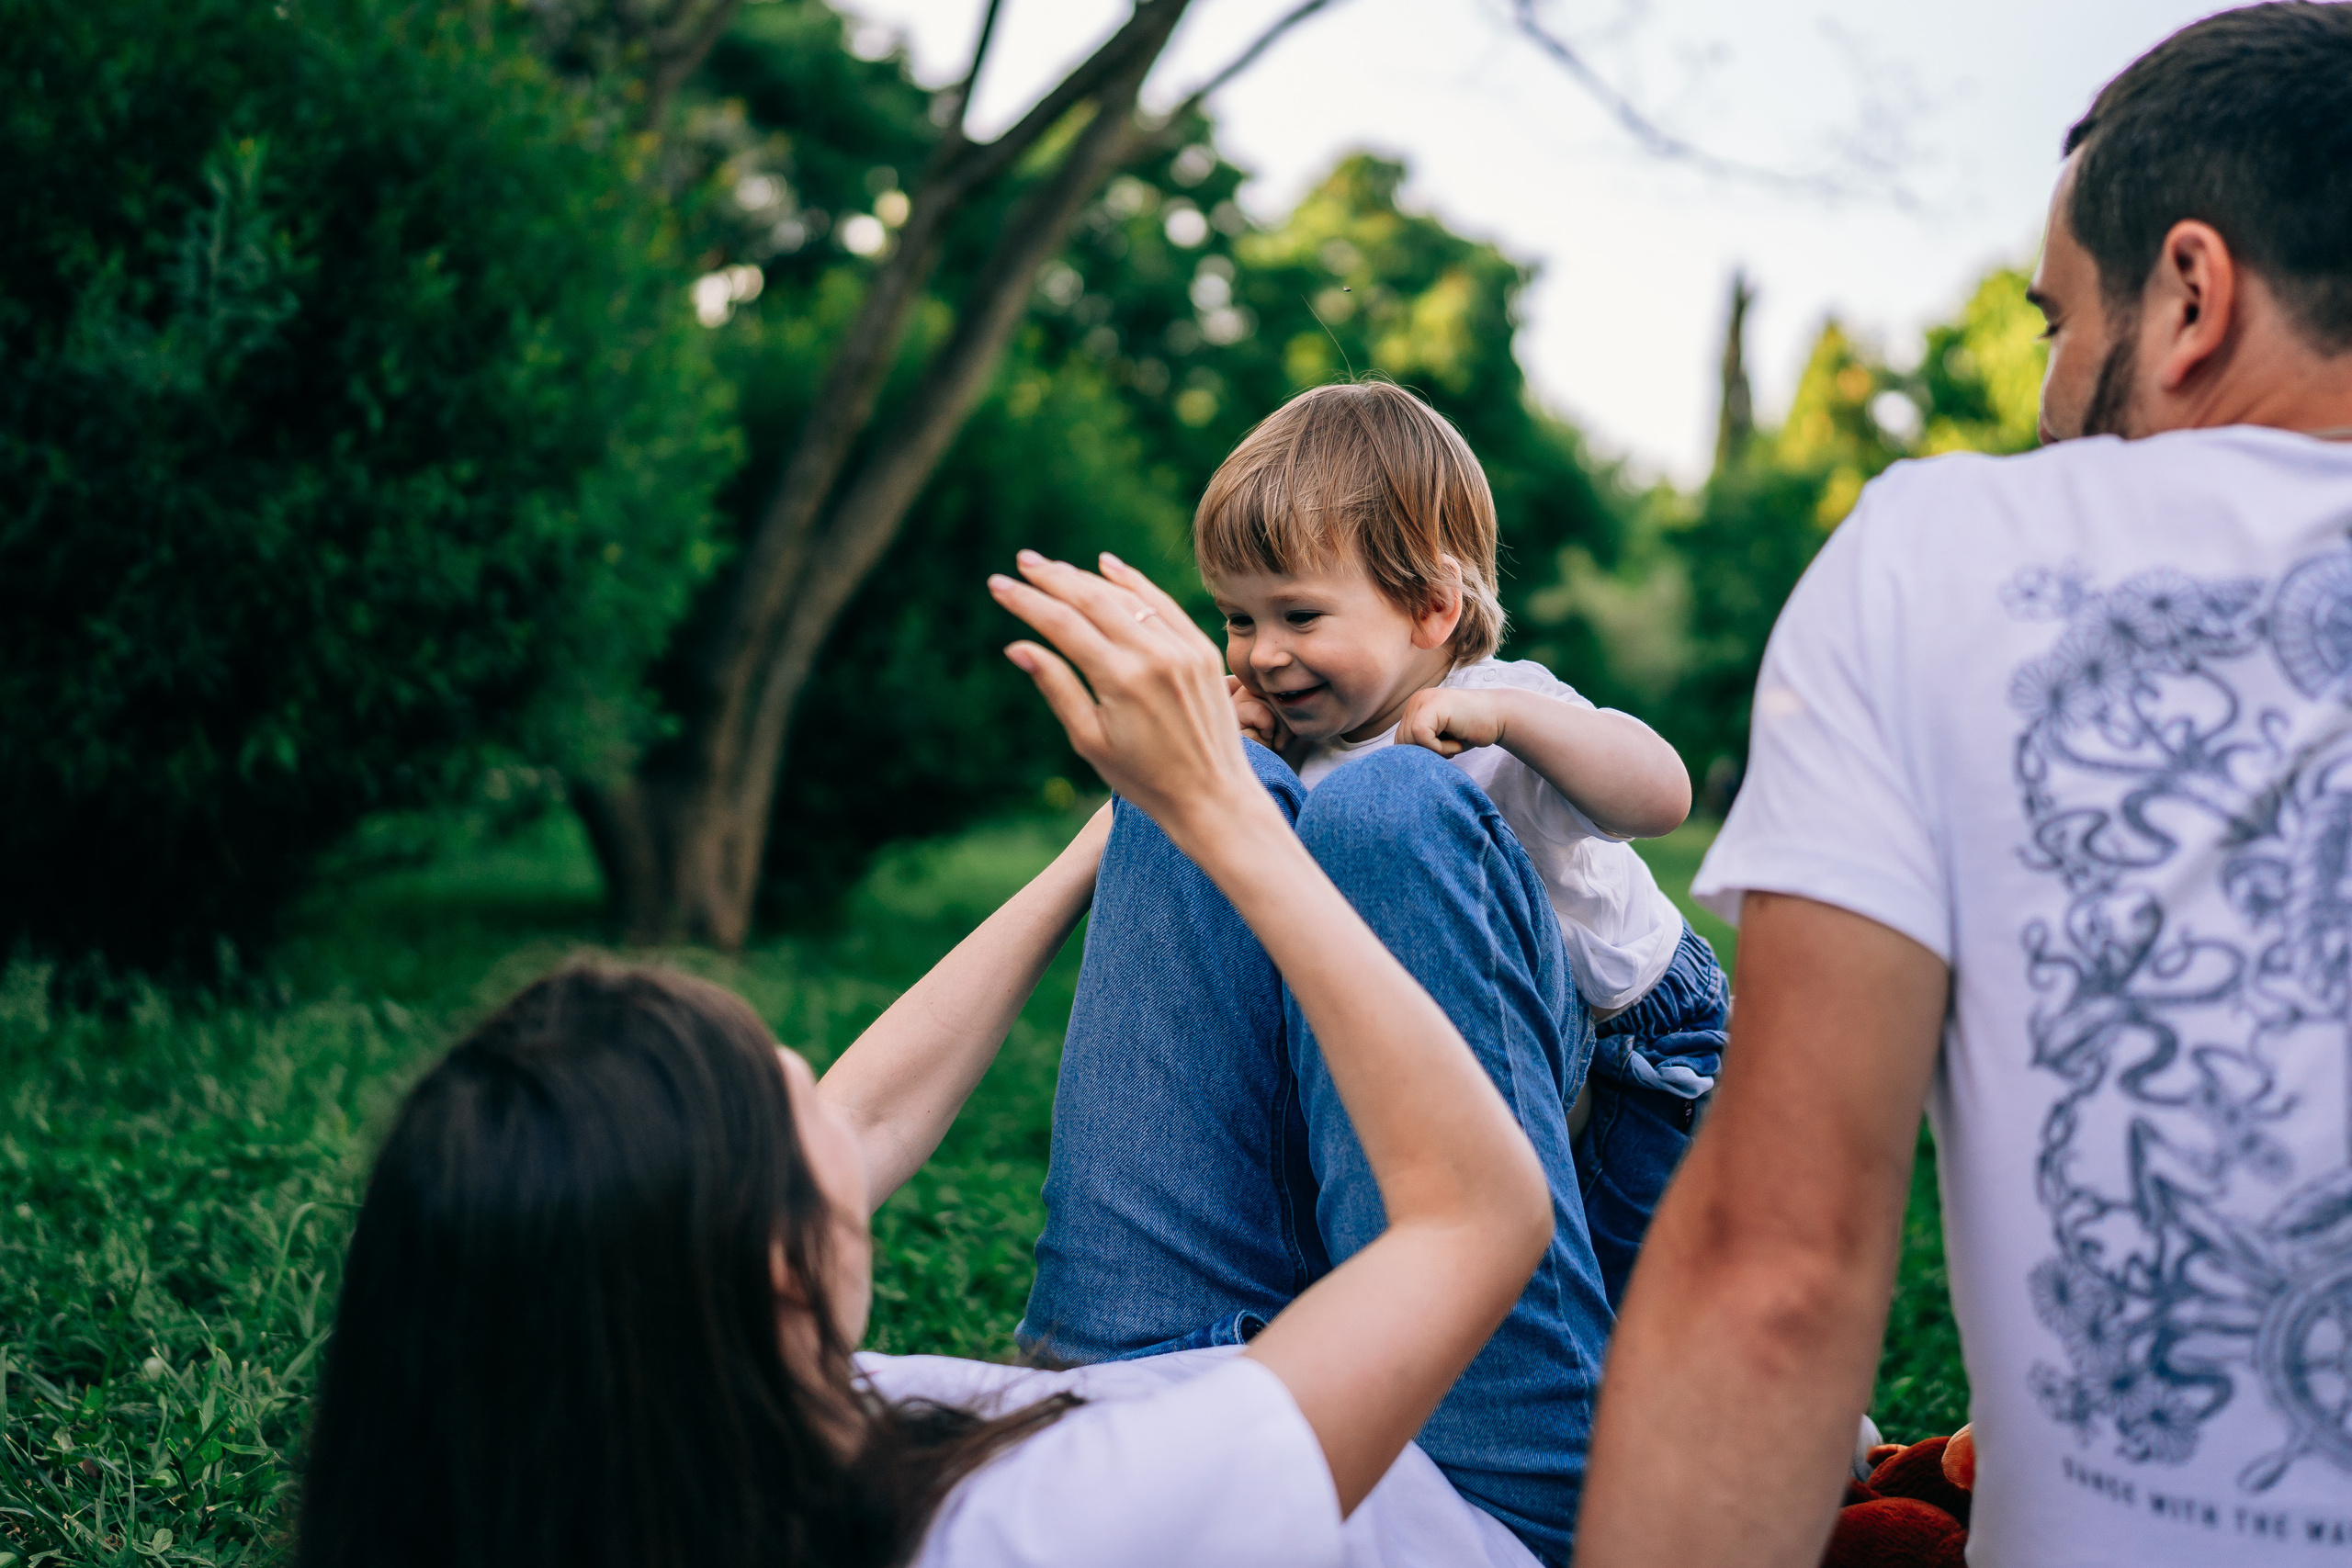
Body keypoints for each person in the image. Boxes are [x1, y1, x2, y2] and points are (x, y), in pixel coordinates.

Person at [296, 550, 1564, 1567]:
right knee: (1391, 809)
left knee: (1250, 816)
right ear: (783, 1266)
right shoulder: (1051, 1528)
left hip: (1143, 1372)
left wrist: (1139, 821)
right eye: (782, 1101)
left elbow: (864, 1120)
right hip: (1464, 1472)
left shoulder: (653, 1423)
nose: (817, 1077)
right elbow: (1475, 1217)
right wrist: (1230, 822)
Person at [1574, 6, 2352, 1565]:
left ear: (2191, 295)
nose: (2052, 387)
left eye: (2059, 321)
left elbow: (1775, 1280)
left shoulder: (1947, 559)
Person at [1211, 377, 1726, 1305]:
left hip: (1635, 1048)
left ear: (1430, 608)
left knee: (1638, 1298)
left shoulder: (1502, 701)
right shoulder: (1304, 750)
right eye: (1237, 620)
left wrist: (1511, 722)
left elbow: (1663, 796)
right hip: (1478, 1050)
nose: (1259, 653)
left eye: (1297, 616)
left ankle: (1787, 1431)